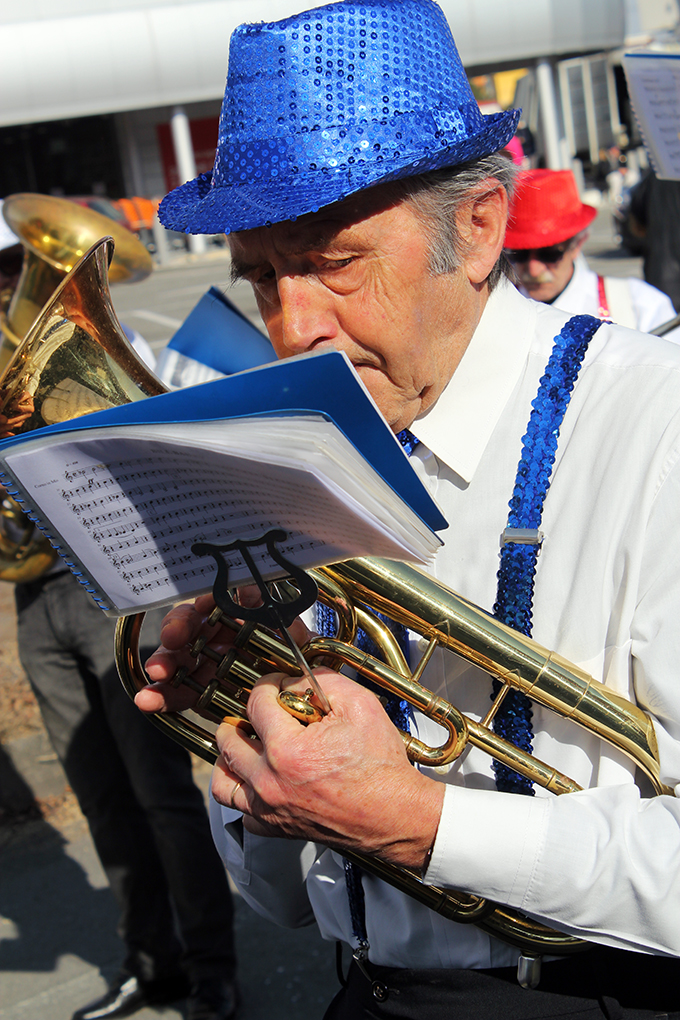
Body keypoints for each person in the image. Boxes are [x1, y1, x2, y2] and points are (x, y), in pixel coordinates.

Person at [137, 1, 680, 1016]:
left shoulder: (657, 427)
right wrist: (257, 759)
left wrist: (413, 819)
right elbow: (290, 910)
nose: (291, 329)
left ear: (478, 228)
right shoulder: (296, 451)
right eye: (259, 277)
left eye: (331, 264)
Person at [0, 214, 238, 1020]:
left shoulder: (94, 336)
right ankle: (152, 963)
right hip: (36, 599)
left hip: (114, 587)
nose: (6, 287)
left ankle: (214, 971)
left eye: (13, 269)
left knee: (161, 796)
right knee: (101, 797)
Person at [504, 168, 680, 334]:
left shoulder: (640, 306)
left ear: (577, 245)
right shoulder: (496, 312)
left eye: (549, 253)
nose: (534, 270)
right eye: (519, 253)